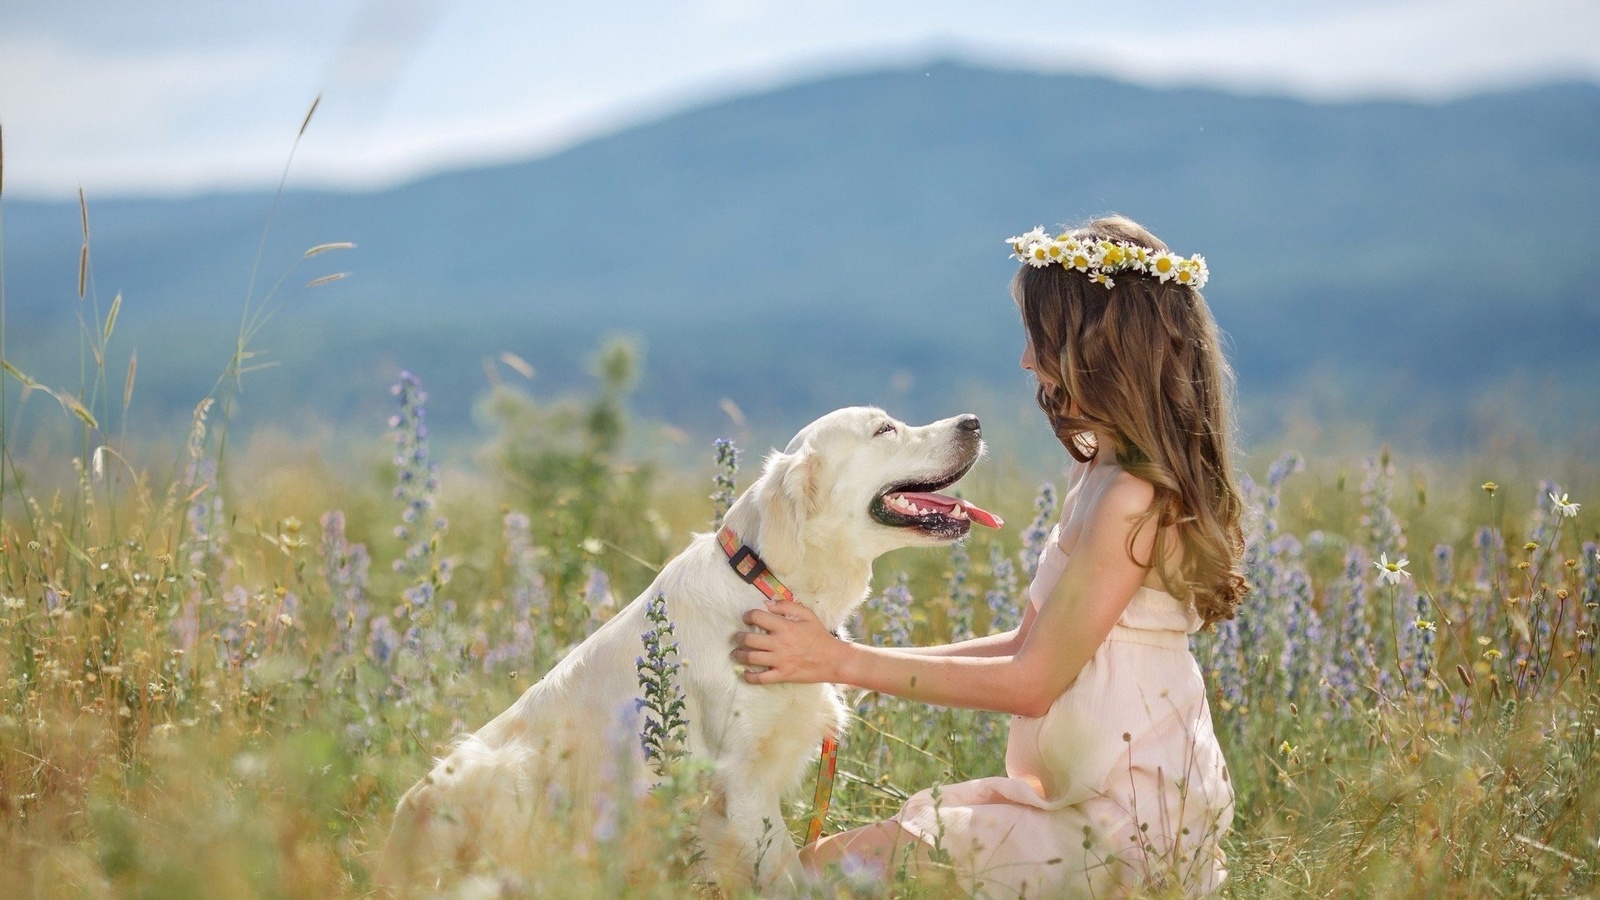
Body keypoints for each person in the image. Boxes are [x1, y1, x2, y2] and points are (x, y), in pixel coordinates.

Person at [730, 215, 1246, 898]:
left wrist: (840, 661)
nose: (1027, 359)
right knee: (816, 869)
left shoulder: (1130, 495)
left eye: (1040, 336)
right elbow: (1031, 642)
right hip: (1077, 799)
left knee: (822, 877)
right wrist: (839, 667)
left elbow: (1032, 682)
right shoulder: (1098, 472)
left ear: (1097, 345)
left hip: (1126, 823)